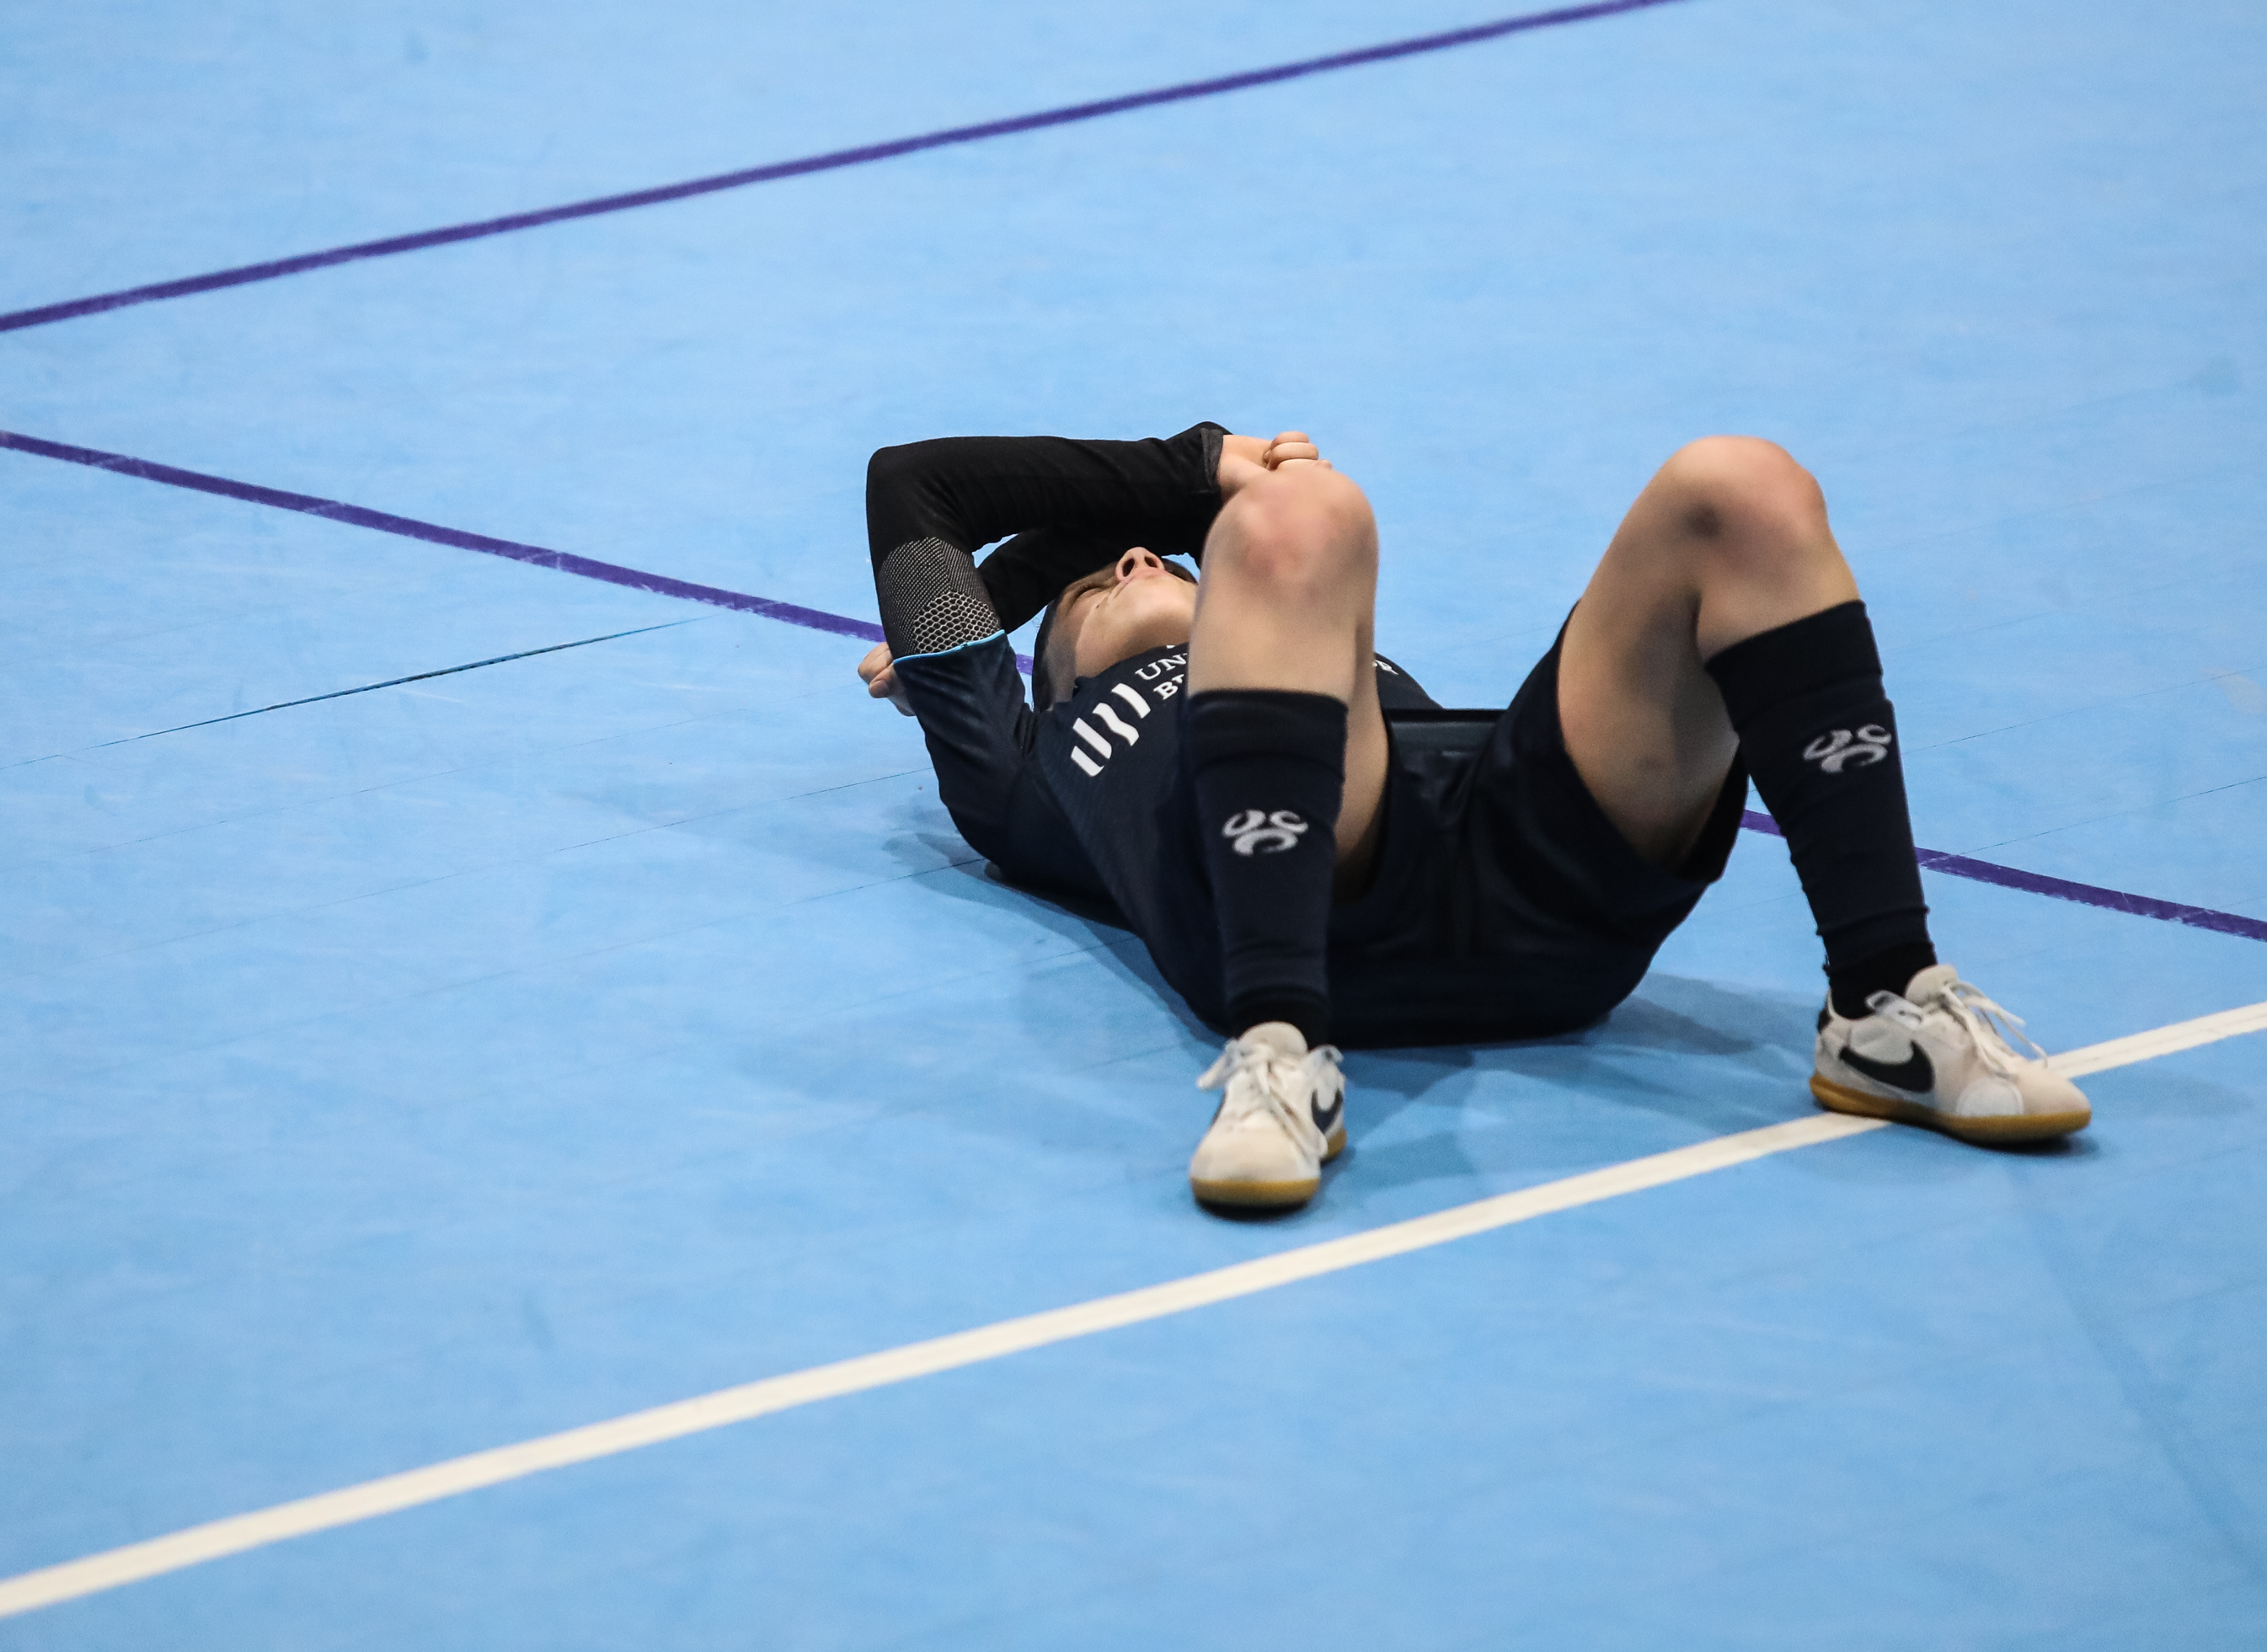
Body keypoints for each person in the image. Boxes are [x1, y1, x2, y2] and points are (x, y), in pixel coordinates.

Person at [855, 424, 2089, 1211]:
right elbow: (916, 488)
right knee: (1301, 515)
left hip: (1528, 872)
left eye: (1163, 559)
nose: (1138, 564)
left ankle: (1881, 1001)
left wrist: (1062, 570)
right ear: (1039, 667)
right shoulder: (1023, 772)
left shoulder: (1292, 650)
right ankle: (1282, 1059)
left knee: (1741, 485)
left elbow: (1255, 532)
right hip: (1316, 914)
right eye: (1091, 582)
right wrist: (1187, 472)